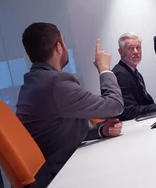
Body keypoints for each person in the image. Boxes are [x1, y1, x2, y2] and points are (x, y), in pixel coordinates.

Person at [16, 23, 124, 176]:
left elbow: (58, 135)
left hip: (54, 169)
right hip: (61, 174)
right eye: (64, 43)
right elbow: (115, 106)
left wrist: (101, 130)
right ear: (59, 47)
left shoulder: (32, 83)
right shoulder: (56, 83)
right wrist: (104, 68)